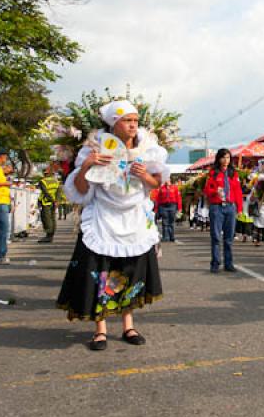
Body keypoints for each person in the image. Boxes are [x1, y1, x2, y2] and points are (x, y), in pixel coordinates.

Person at [57, 100, 167, 351]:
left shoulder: (149, 148)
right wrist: (87, 165)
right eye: (127, 121)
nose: (132, 125)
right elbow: (82, 191)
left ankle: (129, 325)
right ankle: (101, 329)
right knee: (101, 271)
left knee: (130, 270)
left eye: (135, 121)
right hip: (103, 219)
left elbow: (156, 182)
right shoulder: (95, 148)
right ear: (113, 124)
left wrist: (144, 175)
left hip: (135, 219)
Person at [203, 148, 243, 273]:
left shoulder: (233, 173)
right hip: (217, 207)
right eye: (223, 157)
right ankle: (215, 263)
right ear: (218, 159)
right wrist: (216, 191)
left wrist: (239, 208)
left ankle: (228, 263)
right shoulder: (213, 173)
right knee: (215, 237)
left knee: (229, 238)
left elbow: (238, 191)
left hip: (230, 207)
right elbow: (206, 190)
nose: (226, 160)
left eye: (228, 158)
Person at [36, 167, 62, 243]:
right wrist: (56, 201)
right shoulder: (56, 181)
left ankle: (48, 236)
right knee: (53, 218)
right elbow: (59, 192)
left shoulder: (43, 181)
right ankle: (51, 235)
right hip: (54, 203)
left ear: (45, 174)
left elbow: (45, 193)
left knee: (46, 219)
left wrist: (52, 200)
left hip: (46, 202)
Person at [156, 178, 182, 242]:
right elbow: (158, 199)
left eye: (167, 179)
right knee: (165, 222)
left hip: (172, 206)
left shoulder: (174, 188)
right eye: (165, 180)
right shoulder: (161, 188)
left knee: (171, 222)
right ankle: (165, 237)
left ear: (170, 180)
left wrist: (179, 208)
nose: (166, 181)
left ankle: (172, 237)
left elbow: (178, 198)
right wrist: (157, 208)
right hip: (163, 206)